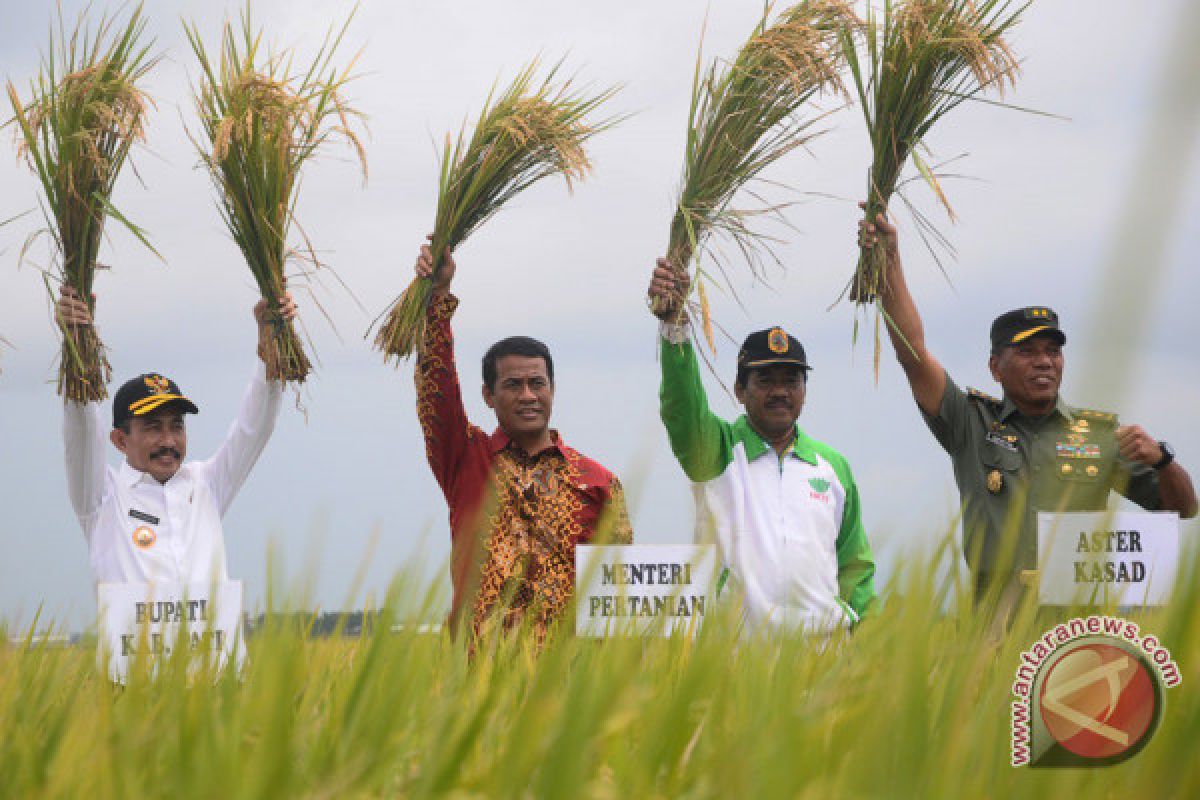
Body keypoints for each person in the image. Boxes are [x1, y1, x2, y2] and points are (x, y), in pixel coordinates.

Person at [861, 206, 1198, 626]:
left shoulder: (1101, 435)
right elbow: (912, 351)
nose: (1044, 363)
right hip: (994, 632)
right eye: (1027, 352)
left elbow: (1184, 508)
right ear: (995, 367)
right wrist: (890, 259)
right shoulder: (971, 422)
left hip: (1079, 633)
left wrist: (1162, 460)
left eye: (1052, 352)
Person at [412, 239, 633, 642]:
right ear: (488, 396)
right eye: (513, 385)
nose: (528, 395)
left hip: (567, 685)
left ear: (553, 388)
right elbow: (436, 387)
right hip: (479, 679)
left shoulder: (599, 483)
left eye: (537, 383)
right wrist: (438, 295)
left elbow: (619, 599)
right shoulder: (465, 459)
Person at [647, 259, 876, 634]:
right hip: (738, 662)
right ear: (740, 390)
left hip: (823, 660)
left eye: (792, 381)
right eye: (765, 380)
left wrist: (866, 634)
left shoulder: (832, 466)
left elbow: (855, 565)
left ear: (805, 391)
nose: (780, 392)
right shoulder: (716, 452)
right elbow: (682, 408)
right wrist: (675, 327)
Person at [57, 286, 297, 584]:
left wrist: (269, 344)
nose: (168, 441)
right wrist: (76, 344)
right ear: (120, 440)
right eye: (153, 427)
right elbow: (80, 431)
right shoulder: (101, 497)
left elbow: (254, 429)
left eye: (176, 426)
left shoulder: (206, 485)